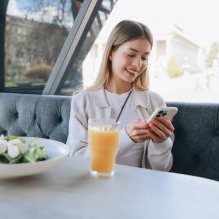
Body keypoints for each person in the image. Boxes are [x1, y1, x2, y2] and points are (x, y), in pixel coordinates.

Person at [66, 20, 174, 171]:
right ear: (111, 52)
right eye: (131, 54)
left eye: (144, 58)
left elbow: (161, 169)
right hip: (96, 186)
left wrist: (161, 143)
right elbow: (76, 159)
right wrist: (125, 138)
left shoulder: (154, 102)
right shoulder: (82, 100)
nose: (137, 65)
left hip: (138, 189)